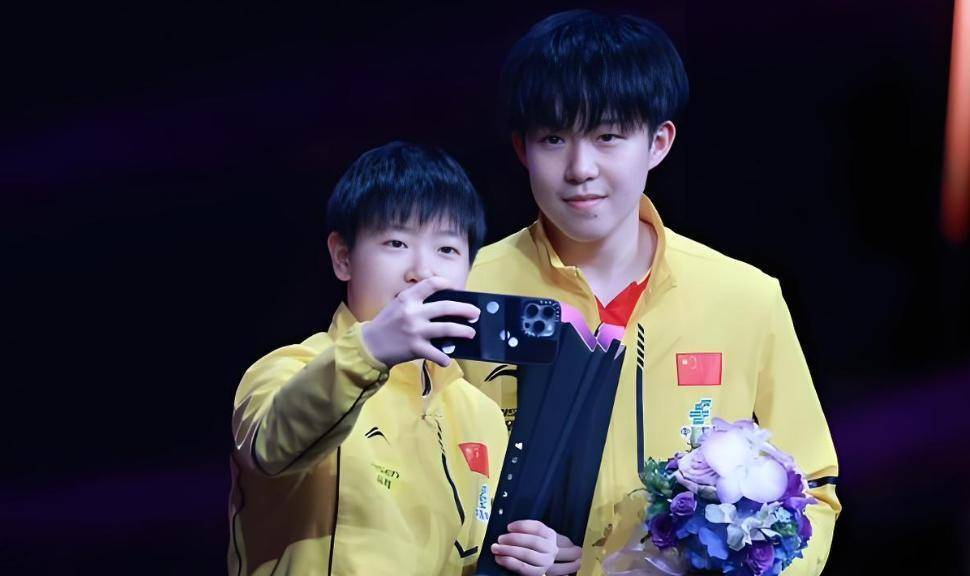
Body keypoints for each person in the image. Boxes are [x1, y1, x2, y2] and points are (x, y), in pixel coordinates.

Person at [460, 11, 841, 576]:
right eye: (553, 138)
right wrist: (500, 550)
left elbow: (812, 493)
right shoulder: (466, 294)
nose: (580, 168)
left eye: (607, 136)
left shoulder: (745, 298)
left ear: (658, 142)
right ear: (522, 148)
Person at [228, 141, 558, 575]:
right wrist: (372, 351)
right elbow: (268, 447)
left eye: (447, 250)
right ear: (343, 257)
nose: (422, 271)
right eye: (396, 242)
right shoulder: (287, 369)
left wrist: (529, 556)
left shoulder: (480, 413)